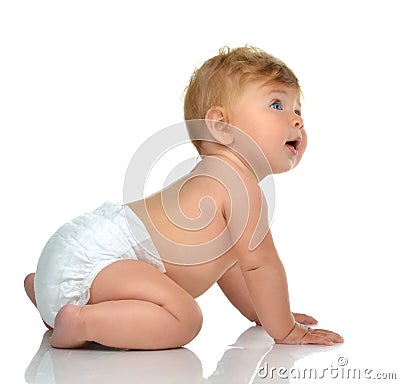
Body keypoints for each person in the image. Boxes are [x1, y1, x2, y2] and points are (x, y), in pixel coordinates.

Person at [24, 46, 344, 349]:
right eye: (277, 105)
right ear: (220, 125)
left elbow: (234, 267)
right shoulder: (239, 186)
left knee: (170, 302)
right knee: (185, 318)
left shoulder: (211, 180)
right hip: (102, 262)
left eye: (297, 109)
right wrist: (286, 329)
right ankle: (81, 321)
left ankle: (46, 290)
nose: (297, 120)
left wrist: (263, 314)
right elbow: (261, 266)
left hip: (81, 255)